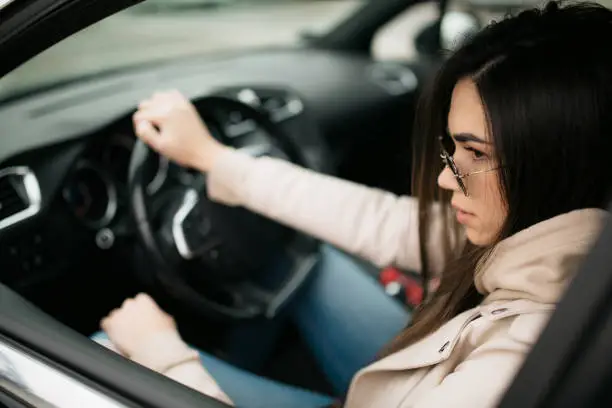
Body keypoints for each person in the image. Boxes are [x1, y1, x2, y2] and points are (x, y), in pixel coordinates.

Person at [93, 2, 612, 407]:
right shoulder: (567, 253)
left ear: (559, 159)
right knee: (307, 260)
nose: (443, 177)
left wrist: (167, 356)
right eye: (452, 148)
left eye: (474, 152)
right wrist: (212, 158)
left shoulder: (522, 358)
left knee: (107, 347)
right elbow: (382, 223)